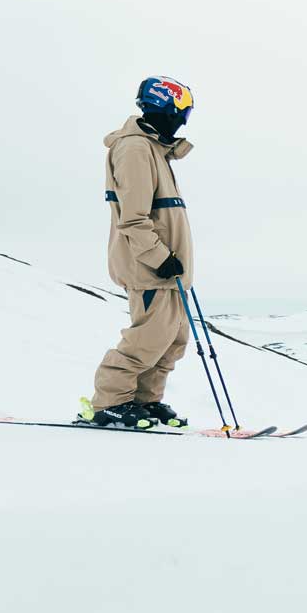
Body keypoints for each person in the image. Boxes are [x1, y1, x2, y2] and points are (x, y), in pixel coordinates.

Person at [82, 76, 197, 428]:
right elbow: (133, 219)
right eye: (181, 112)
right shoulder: (135, 149)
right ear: (164, 107)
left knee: (172, 340)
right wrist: (160, 257)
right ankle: (109, 403)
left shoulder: (156, 152)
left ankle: (144, 400)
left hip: (169, 268)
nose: (183, 121)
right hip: (150, 265)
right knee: (148, 338)